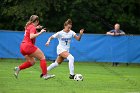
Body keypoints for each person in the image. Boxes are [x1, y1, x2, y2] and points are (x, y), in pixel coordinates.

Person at [14, 15, 55, 80]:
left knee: (32, 62)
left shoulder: (29, 26)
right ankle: (45, 75)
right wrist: (40, 32)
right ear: (36, 21)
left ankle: (18, 68)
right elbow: (31, 36)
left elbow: (30, 31)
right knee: (42, 57)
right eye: (38, 22)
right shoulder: (32, 27)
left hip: (22, 47)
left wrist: (36, 27)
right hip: (28, 46)